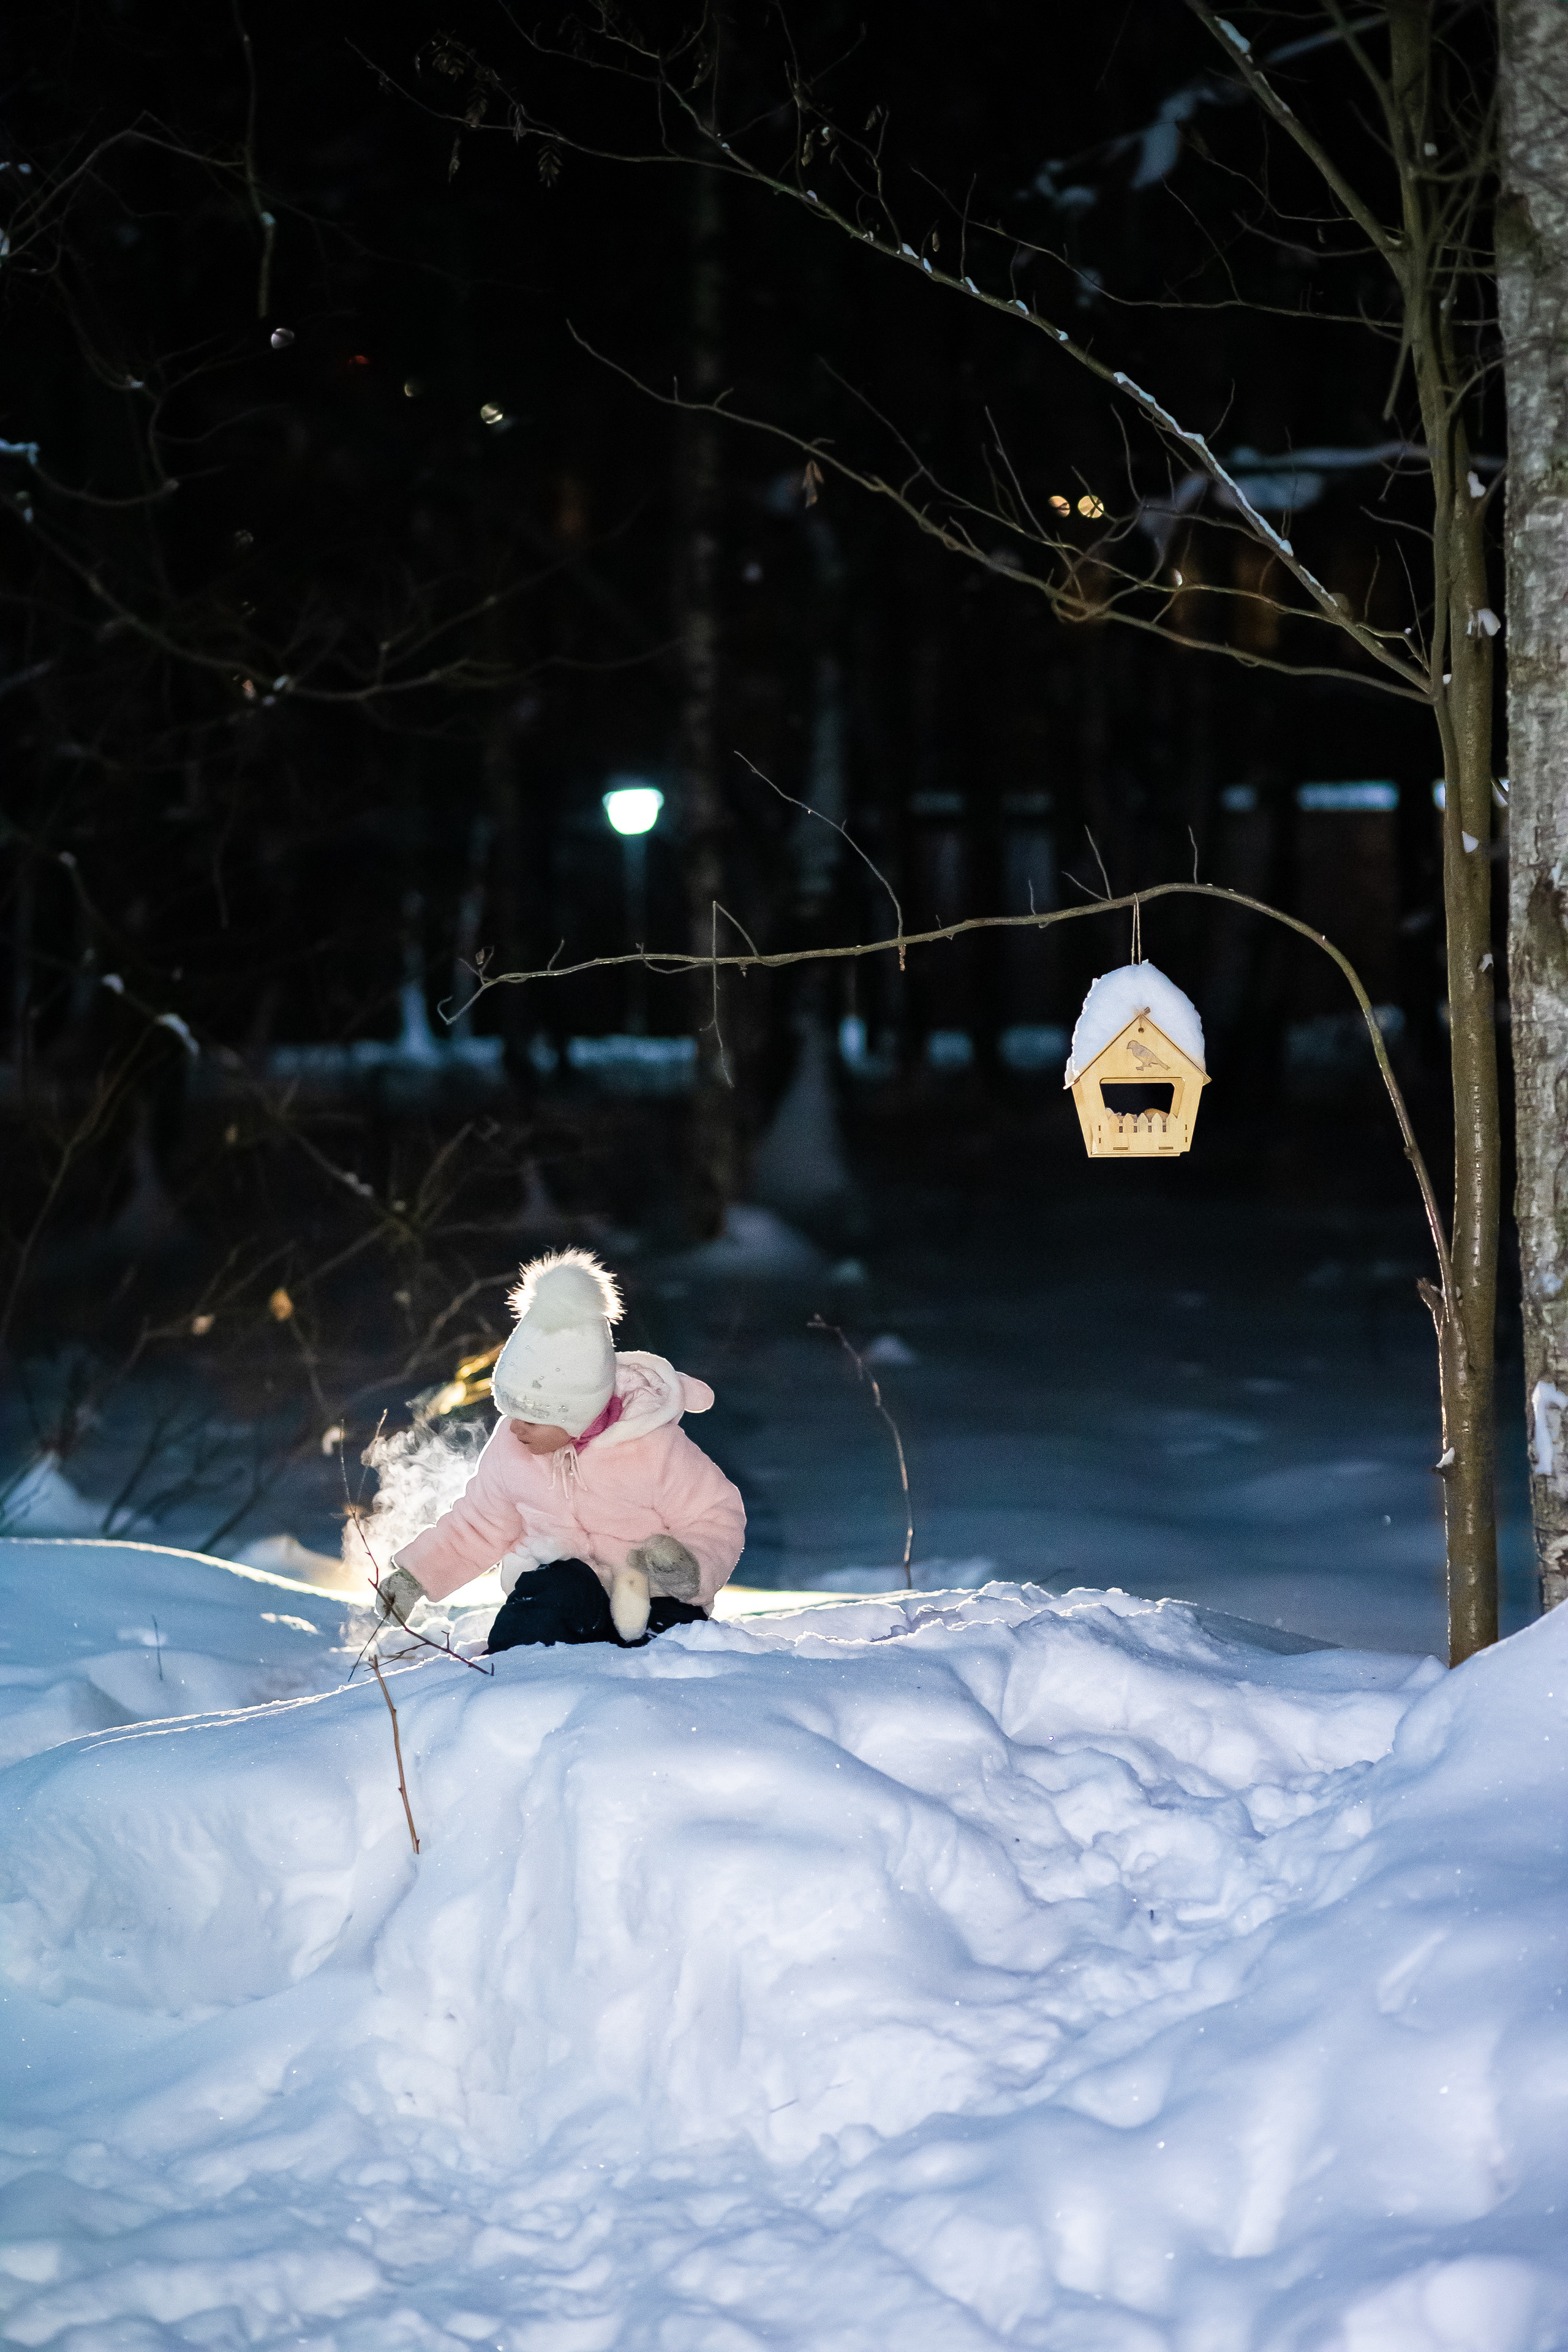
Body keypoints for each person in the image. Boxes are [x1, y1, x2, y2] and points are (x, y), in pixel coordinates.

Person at [373, 1250, 745, 1653]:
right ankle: (519, 1674)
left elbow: (714, 1516)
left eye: (532, 1417)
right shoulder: (511, 1448)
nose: (514, 1427)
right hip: (564, 1603)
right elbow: (478, 1524)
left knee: (674, 1630)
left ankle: (650, 1673)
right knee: (551, 1586)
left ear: (578, 1412)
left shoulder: (654, 1450)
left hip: (646, 1595)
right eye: (509, 1410)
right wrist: (416, 1576)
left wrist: (688, 1567)